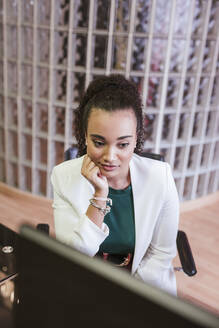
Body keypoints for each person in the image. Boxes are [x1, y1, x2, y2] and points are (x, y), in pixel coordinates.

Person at [51, 74, 179, 295]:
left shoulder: (161, 178)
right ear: (85, 136)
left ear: (136, 139)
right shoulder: (63, 176)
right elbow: (72, 257)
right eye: (99, 142)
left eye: (123, 144)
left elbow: (160, 255)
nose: (110, 156)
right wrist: (100, 196)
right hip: (84, 282)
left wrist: (128, 297)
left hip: (142, 287)